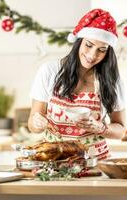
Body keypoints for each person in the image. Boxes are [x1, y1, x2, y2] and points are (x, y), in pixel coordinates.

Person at [28, 8, 126, 160]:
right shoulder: (50, 71)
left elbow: (120, 129)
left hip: (95, 163)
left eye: (102, 50)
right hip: (54, 162)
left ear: (108, 52)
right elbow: (32, 125)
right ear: (78, 42)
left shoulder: (112, 80)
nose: (93, 55)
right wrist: (37, 123)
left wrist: (101, 128)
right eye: (89, 45)